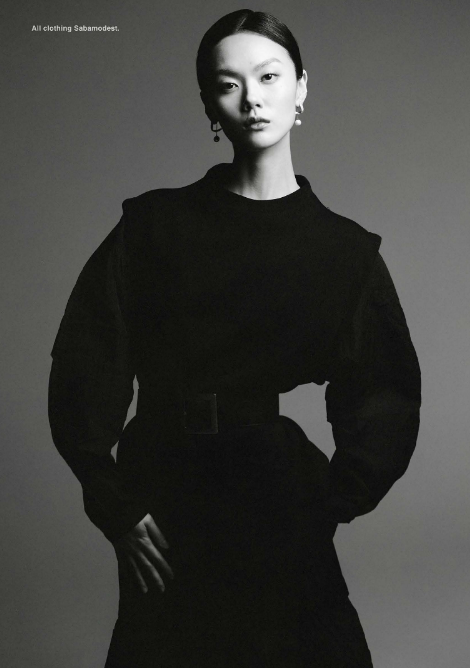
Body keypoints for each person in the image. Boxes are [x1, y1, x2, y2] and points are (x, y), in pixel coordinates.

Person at [48, 9, 421, 668]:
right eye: (228, 84)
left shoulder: (343, 252)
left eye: (269, 77)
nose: (251, 99)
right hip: (162, 498)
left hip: (277, 503)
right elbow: (86, 361)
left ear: (301, 88)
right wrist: (114, 503)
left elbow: (386, 393)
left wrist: (330, 501)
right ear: (208, 105)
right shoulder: (153, 226)